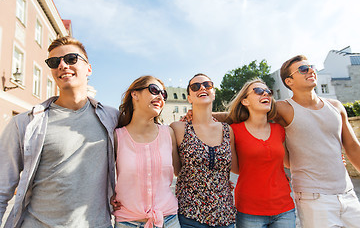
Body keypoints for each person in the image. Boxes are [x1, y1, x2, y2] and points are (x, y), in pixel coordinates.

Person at [0, 36, 119, 228]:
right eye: (54, 62)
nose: (62, 65)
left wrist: (186, 117)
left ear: (89, 68)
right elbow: (2, 189)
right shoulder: (24, 123)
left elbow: (146, 130)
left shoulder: (111, 117)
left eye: (71, 59)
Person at [275, 55, 360, 227]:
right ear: (289, 81)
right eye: (303, 69)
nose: (311, 71)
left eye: (311, 67)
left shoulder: (336, 106)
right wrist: (206, 116)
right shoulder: (283, 108)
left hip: (348, 193)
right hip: (313, 198)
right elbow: (242, 114)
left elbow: (352, 147)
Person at [112, 76, 180, 228]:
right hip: (126, 222)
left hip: (169, 221)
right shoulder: (117, 136)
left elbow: (182, 172)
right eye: (154, 90)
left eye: (164, 94)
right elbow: (103, 174)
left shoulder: (169, 133)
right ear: (134, 94)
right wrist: (108, 194)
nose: (160, 97)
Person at [170, 73, 238, 228]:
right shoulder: (178, 128)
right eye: (195, 86)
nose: (202, 87)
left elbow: (236, 168)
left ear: (213, 93)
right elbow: (176, 171)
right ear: (189, 98)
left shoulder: (227, 130)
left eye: (207, 85)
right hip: (190, 216)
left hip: (225, 215)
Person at [226, 78, 295, 227]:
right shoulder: (234, 131)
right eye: (258, 91)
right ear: (245, 101)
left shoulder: (280, 130)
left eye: (268, 92)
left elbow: (289, 163)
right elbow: (236, 168)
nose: (265, 94)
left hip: (284, 209)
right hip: (249, 211)